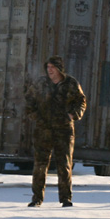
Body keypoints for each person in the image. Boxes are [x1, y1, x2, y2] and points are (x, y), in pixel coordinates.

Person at [23, 55, 87, 207]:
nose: (50, 70)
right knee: (40, 164)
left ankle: (66, 198)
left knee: (64, 164)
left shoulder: (70, 83)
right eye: (48, 67)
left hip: (64, 129)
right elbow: (29, 101)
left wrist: (74, 114)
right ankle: (37, 198)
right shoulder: (40, 83)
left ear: (59, 69)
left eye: (53, 67)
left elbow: (81, 101)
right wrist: (36, 116)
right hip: (43, 130)